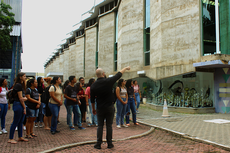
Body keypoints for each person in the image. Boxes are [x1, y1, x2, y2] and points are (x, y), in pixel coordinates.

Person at [91, 66, 130, 149]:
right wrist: (125, 68)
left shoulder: (93, 86)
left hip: (100, 107)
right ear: (103, 74)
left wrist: (93, 109)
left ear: (97, 75)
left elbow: (92, 100)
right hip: (109, 106)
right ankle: (109, 143)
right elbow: (119, 74)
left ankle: (98, 143)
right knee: (109, 125)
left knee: (100, 125)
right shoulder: (108, 81)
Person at [8, 72, 28, 144]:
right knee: (15, 122)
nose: (25, 77)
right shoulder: (18, 85)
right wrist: (24, 107)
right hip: (18, 104)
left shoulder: (20, 86)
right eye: (24, 76)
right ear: (20, 77)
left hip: (19, 104)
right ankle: (11, 138)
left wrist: (24, 99)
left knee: (20, 122)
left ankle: (20, 136)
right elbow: (21, 98)